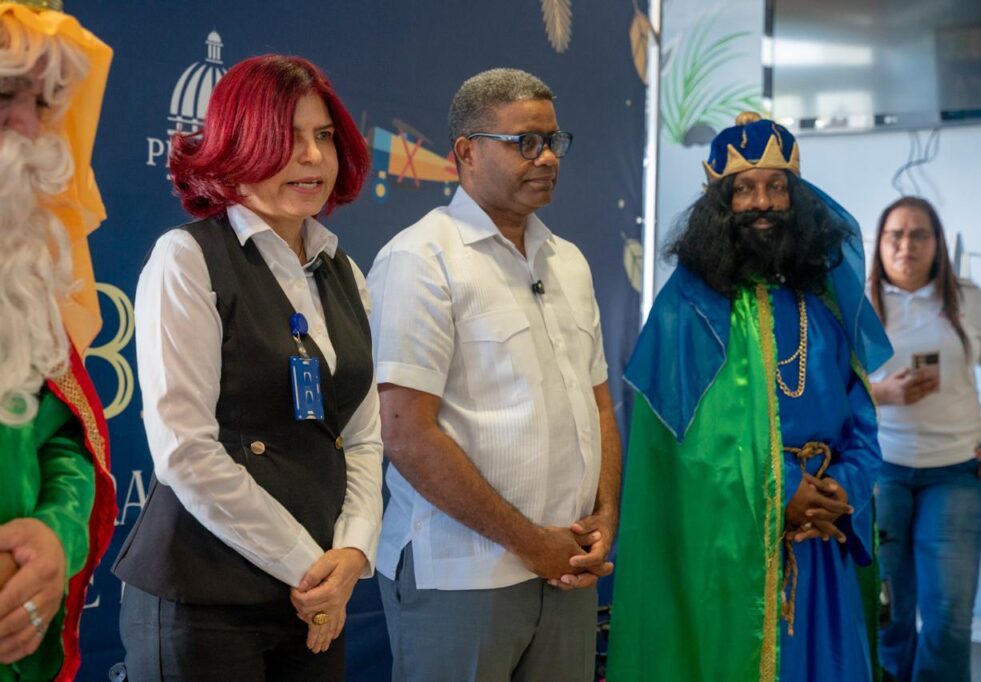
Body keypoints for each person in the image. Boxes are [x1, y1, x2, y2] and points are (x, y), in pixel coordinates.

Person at [112, 55, 382, 681]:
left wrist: (352, 552)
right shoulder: (187, 258)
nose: (312, 156)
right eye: (287, 138)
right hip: (203, 601)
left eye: (322, 136)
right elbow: (185, 451)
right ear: (238, 146)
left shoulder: (345, 272)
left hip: (317, 599)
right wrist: (308, 567)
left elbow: (362, 436)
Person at [608, 112, 893, 681]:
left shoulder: (825, 306)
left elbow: (862, 423)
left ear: (796, 199)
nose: (762, 203)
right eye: (744, 190)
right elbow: (682, 449)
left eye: (776, 187)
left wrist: (842, 488)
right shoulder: (685, 310)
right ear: (721, 204)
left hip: (821, 542)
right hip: (729, 553)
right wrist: (783, 492)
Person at [367, 67, 621, 682]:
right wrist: (531, 544)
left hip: (567, 570)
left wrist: (605, 515)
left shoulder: (568, 262)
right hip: (462, 575)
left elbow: (599, 406)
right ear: (466, 152)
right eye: (524, 142)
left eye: (552, 141)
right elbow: (406, 435)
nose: (546, 158)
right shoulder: (420, 258)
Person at [0, 2, 117, 680]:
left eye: (40, 102)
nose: (26, 125)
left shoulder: (21, 273)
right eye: (3, 94)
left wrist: (55, 536)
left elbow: (63, 443)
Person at [868, 196, 981, 682]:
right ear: (879, 244)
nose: (906, 245)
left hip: (955, 476)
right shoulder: (857, 303)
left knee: (948, 623)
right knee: (886, 617)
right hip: (880, 474)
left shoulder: (968, 300)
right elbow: (829, 385)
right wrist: (884, 393)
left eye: (920, 234)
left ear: (938, 243)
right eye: (895, 235)